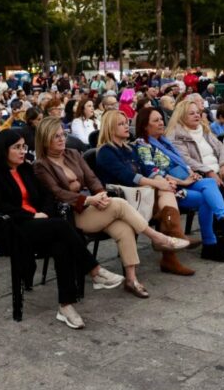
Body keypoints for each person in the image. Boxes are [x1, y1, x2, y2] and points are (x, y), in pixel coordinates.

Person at [0, 130, 124, 328]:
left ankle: (66, 306)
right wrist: (31, 216)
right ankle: (94, 270)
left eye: (24, 146)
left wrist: (45, 214)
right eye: (16, 147)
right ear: (3, 150)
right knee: (62, 226)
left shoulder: (26, 169)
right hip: (12, 228)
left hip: (40, 224)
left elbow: (47, 196)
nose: (22, 151)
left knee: (61, 245)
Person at [33, 118, 185, 298]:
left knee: (125, 228)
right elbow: (57, 193)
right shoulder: (40, 165)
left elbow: (92, 179)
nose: (61, 139)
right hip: (70, 214)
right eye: (55, 136)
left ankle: (131, 279)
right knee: (119, 204)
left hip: (91, 205)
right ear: (44, 139)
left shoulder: (73, 154)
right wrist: (91, 199)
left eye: (62, 134)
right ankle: (159, 238)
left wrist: (101, 195)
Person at [133, 107, 224, 262]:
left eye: (161, 119)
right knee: (205, 198)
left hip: (185, 181)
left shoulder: (164, 141)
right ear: (145, 125)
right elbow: (152, 171)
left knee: (210, 183)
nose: (161, 122)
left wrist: (191, 172)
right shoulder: (142, 144)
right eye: (156, 120)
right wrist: (183, 181)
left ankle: (222, 222)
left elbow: (181, 162)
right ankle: (213, 240)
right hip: (168, 189)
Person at [94, 110, 195, 275]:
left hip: (140, 195)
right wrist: (157, 183)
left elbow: (146, 169)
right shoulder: (105, 152)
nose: (126, 126)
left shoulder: (128, 148)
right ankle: (172, 245)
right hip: (121, 199)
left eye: (126, 122)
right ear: (110, 128)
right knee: (164, 194)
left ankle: (173, 242)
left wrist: (163, 181)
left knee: (166, 192)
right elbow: (128, 177)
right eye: (120, 124)